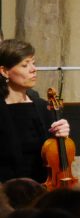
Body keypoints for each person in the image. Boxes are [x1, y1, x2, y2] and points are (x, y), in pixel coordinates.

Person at [0, 39, 71, 183]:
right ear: (4, 71)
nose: (33, 69)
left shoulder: (43, 107)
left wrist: (62, 135)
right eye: (25, 65)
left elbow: (54, 154)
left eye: (33, 63)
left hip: (43, 187)